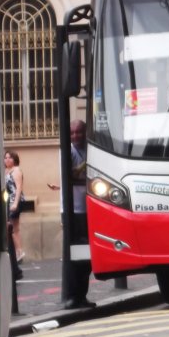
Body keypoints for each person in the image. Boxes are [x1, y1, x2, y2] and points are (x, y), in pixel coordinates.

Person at [65, 120, 95, 309]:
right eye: (73, 133)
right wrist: (87, 164)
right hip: (73, 210)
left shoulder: (88, 150)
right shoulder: (68, 151)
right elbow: (71, 174)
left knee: (87, 256)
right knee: (77, 255)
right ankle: (74, 296)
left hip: (88, 208)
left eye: (80, 132)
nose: (76, 136)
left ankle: (81, 295)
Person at [4, 150, 26, 263]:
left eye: (10, 158)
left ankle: (17, 251)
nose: (7, 160)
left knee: (11, 228)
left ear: (15, 159)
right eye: (6, 158)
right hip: (8, 201)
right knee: (14, 229)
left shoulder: (16, 170)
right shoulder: (7, 171)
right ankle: (18, 252)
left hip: (14, 201)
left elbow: (18, 188)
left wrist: (15, 203)